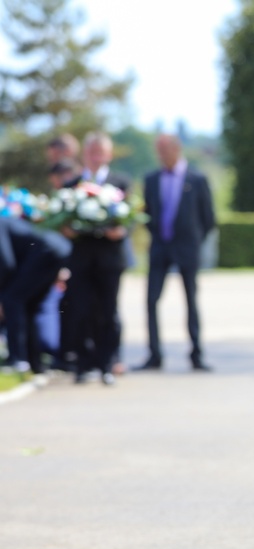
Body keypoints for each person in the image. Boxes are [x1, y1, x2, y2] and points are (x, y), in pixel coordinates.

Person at [134, 134, 216, 372]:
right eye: (158, 151)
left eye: (165, 150)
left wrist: (193, 242)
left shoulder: (197, 179)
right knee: (151, 301)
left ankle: (196, 354)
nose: (162, 156)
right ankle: (154, 355)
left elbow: (208, 218)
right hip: (160, 247)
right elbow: (146, 214)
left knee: (190, 300)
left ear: (177, 149)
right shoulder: (151, 179)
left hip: (187, 248)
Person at [59, 131, 131, 386]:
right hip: (81, 259)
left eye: (100, 152)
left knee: (108, 312)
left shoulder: (121, 183)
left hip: (110, 260)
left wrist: (120, 231)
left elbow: (130, 220)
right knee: (80, 310)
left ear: (109, 155)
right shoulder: (73, 186)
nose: (96, 157)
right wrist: (66, 229)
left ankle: (107, 363)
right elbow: (62, 221)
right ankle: (83, 364)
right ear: (84, 154)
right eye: (92, 152)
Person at [0, 217, 71, 374]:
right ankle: (34, 362)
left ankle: (17, 359)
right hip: (58, 248)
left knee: (12, 300)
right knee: (29, 306)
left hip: (47, 251)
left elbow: (6, 262)